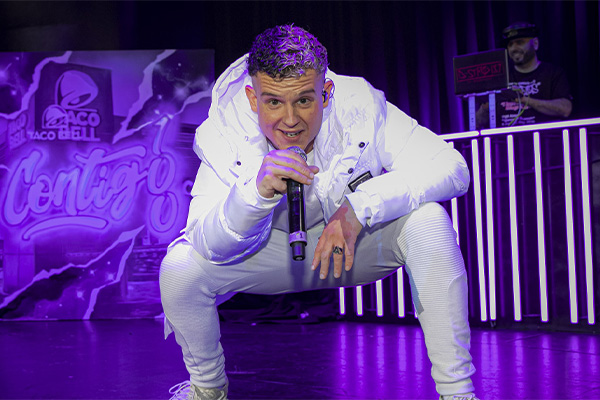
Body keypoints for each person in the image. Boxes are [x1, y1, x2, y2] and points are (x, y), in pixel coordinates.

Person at [160, 24, 478, 400]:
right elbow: (206, 242)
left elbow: (452, 167)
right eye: (273, 102)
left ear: (326, 93)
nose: (290, 120)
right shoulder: (222, 132)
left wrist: (359, 207)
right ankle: (207, 389)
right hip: (267, 253)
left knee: (428, 221)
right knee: (179, 269)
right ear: (252, 98)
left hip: (350, 247)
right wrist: (255, 195)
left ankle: (458, 393)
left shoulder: (361, 107)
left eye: (304, 101)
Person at [476, 22, 572, 128]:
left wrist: (524, 100)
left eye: (520, 42)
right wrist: (486, 106)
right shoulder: (500, 77)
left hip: (542, 137)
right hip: (506, 138)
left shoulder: (552, 73)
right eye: (510, 44)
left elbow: (565, 109)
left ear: (535, 44)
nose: (513, 48)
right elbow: (477, 123)